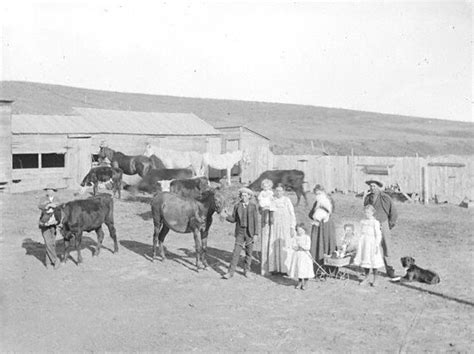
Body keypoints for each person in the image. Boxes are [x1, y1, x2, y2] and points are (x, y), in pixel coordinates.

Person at [363, 179, 398, 278]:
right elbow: (366, 211)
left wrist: (389, 225)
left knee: (387, 247)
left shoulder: (385, 198)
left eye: (374, 186)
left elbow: (394, 212)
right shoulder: (368, 198)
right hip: (371, 226)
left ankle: (390, 270)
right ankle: (370, 270)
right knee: (371, 247)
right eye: (370, 186)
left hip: (383, 224)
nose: (372, 188)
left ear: (378, 187)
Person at [223, 187, 259, 279]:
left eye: (245, 195)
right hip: (240, 232)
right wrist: (226, 216)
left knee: (249, 253)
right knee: (236, 252)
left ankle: (247, 271)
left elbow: (256, 221)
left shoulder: (253, 206)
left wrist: (256, 234)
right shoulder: (237, 206)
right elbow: (233, 219)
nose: (243, 197)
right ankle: (230, 273)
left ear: (249, 196)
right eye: (242, 195)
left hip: (250, 232)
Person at [261, 183, 296, 275]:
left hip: (285, 226)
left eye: (280, 191)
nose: (278, 192)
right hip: (275, 226)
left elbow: (292, 214)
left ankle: (286, 269)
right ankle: (275, 268)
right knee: (275, 245)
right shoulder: (272, 200)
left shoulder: (287, 200)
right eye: (277, 190)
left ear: (283, 191)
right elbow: (268, 210)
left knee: (285, 245)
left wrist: (292, 227)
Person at [353, 205, 384, 286]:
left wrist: (377, 245)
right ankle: (366, 278)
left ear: (373, 213)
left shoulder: (375, 222)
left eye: (369, 212)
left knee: (374, 261)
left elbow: (378, 235)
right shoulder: (363, 221)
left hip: (372, 243)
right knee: (365, 260)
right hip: (364, 243)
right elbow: (359, 232)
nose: (367, 214)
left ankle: (375, 279)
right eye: (366, 212)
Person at [308, 184, 336, 274]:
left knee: (326, 243)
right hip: (318, 225)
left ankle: (329, 268)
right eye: (316, 194)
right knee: (317, 244)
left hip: (326, 225)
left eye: (319, 193)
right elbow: (311, 214)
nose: (318, 195)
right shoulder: (317, 202)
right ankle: (318, 268)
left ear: (323, 192)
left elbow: (331, 211)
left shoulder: (328, 200)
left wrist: (323, 212)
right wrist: (315, 216)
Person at [38, 184, 61, 269]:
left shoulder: (57, 199)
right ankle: (55, 260)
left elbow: (60, 207)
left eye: (51, 190)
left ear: (54, 191)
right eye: (48, 190)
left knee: (52, 243)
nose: (49, 191)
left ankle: (48, 262)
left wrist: (54, 205)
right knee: (48, 243)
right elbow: (40, 206)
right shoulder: (43, 199)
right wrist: (47, 205)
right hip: (45, 224)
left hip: (54, 225)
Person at [287, 223, 315, 290]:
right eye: (298, 230)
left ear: (304, 230)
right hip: (298, 255)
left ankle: (305, 282)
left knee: (305, 268)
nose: (300, 232)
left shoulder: (307, 237)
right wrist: (296, 247)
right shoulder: (296, 237)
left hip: (305, 255)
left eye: (301, 230)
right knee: (299, 268)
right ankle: (299, 282)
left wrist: (302, 246)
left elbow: (308, 247)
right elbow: (293, 246)